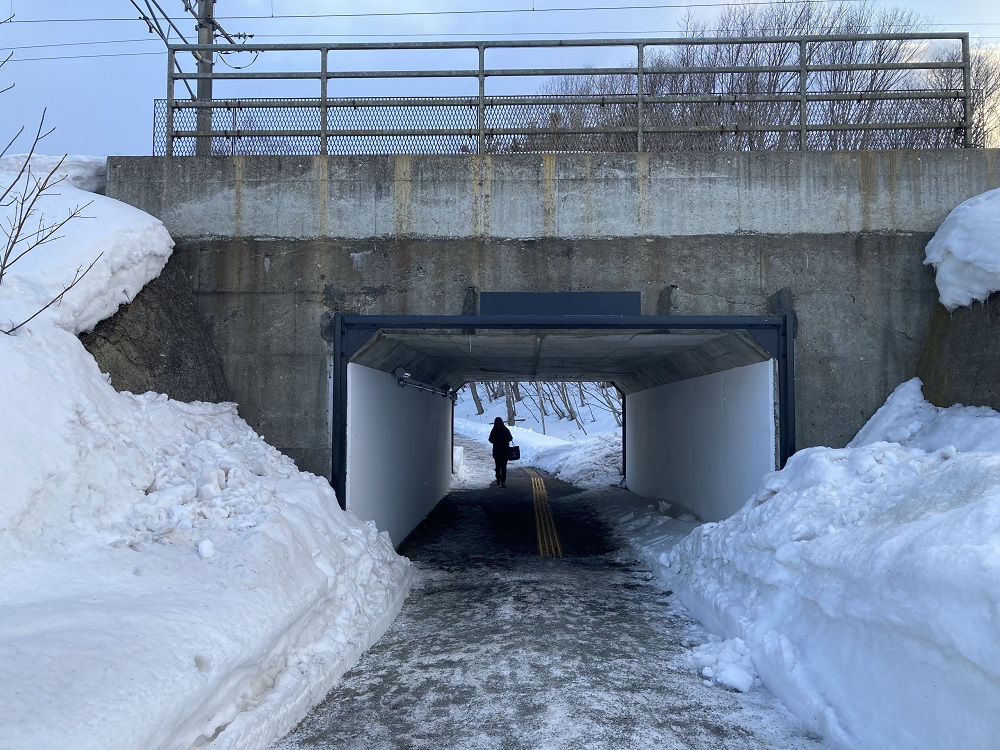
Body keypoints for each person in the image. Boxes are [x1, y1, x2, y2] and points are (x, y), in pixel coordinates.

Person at [488, 416, 513, 487]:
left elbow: (490, 440)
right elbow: (510, 438)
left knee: (498, 466)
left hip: (497, 452)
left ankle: (498, 480)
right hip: (505, 451)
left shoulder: (494, 430)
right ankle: (503, 481)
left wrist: (496, 441)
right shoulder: (505, 430)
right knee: (504, 467)